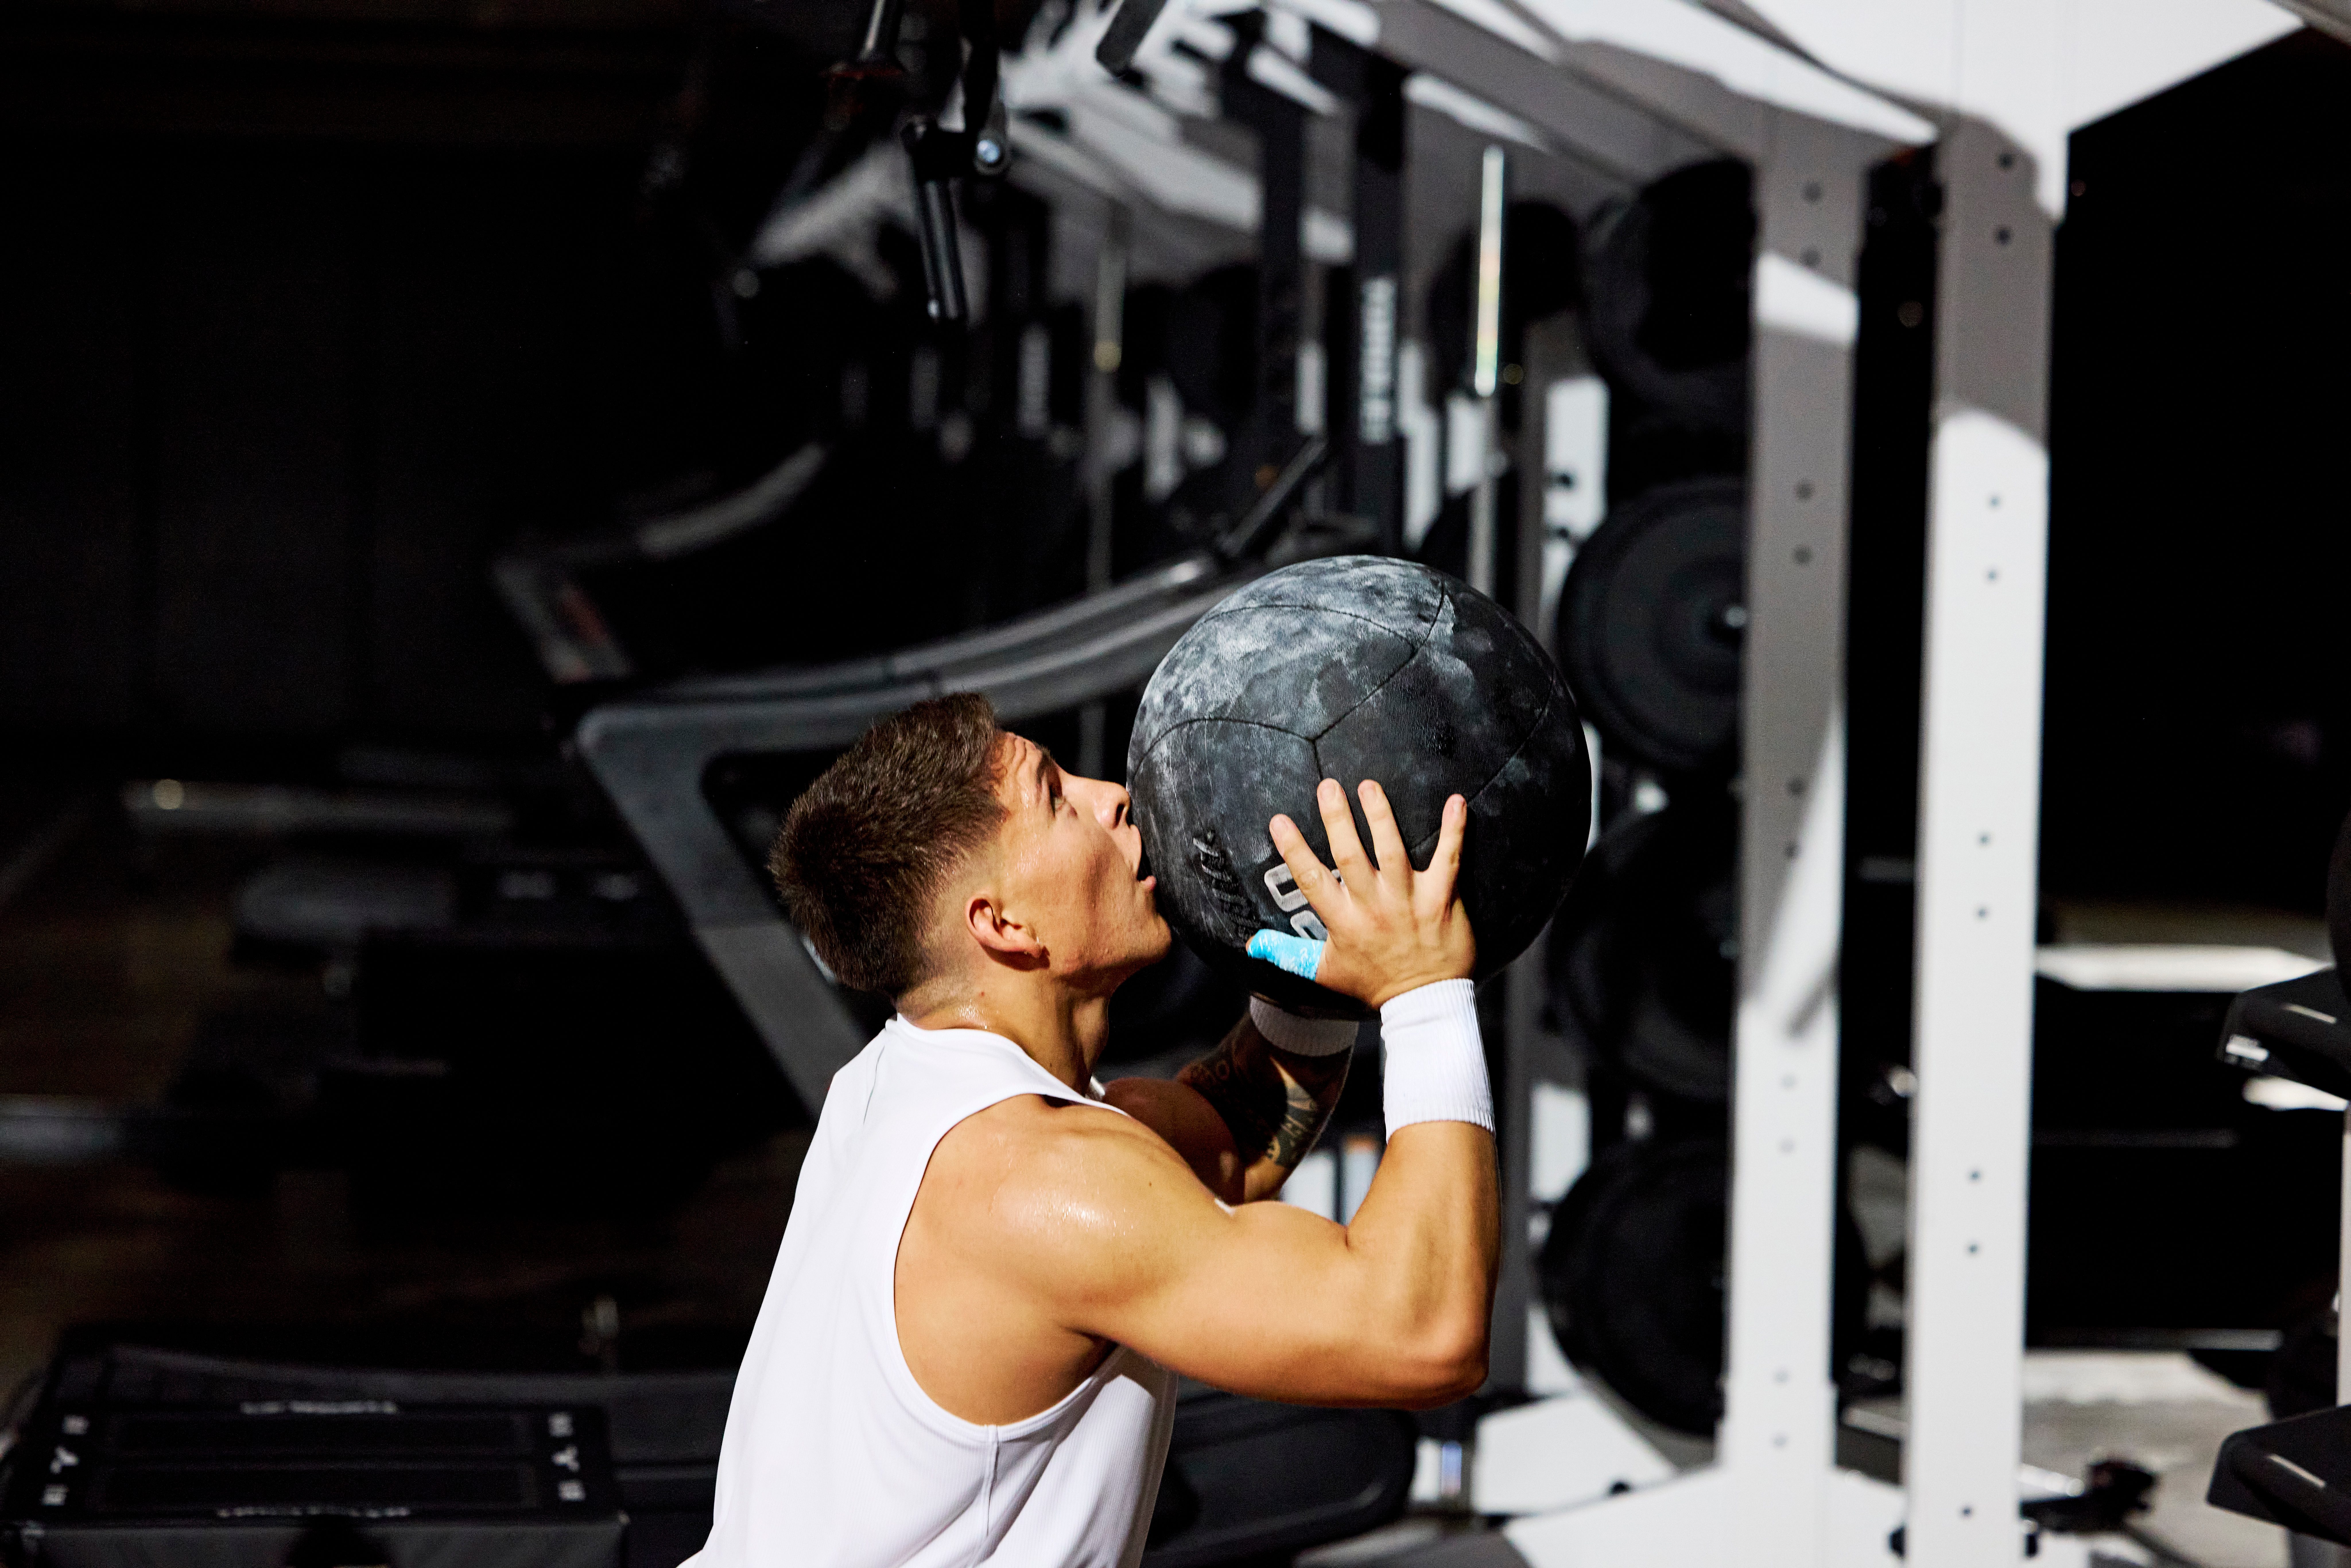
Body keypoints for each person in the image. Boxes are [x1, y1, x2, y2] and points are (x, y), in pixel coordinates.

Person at [687, 692, 1498, 1568]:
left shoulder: (902, 1084)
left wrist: (1316, 973)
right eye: (1057, 797)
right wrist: (1422, 995)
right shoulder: (1036, 1186)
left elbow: (1219, 1143)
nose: (1113, 794)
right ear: (1002, 925)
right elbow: (1423, 1337)